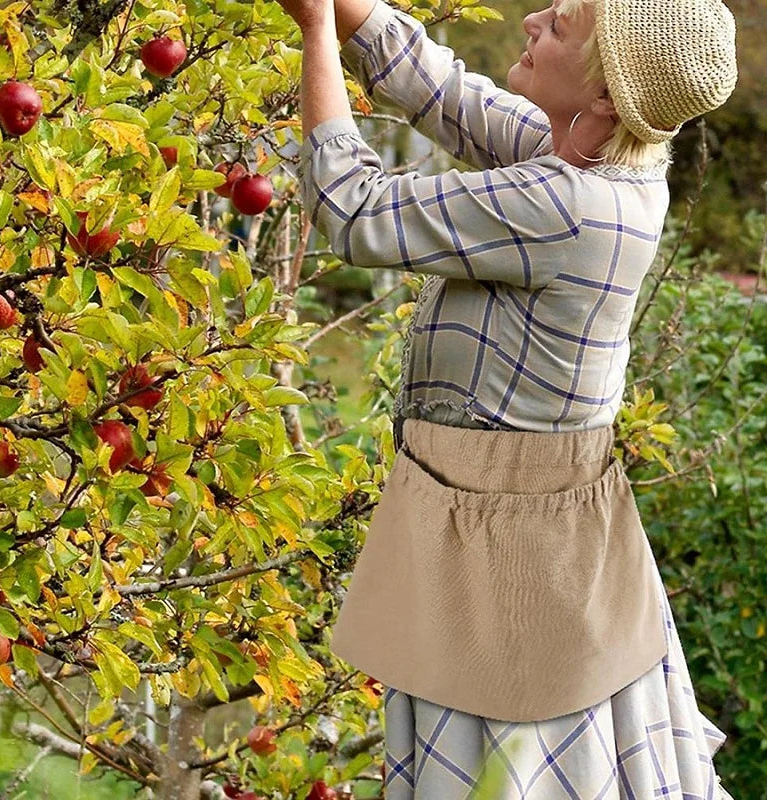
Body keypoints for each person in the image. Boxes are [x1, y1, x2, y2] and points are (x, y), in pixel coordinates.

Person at [274, 0, 738, 796]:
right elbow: (440, 88)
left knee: (507, 771)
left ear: (602, 97)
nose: (531, 19)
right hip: (522, 524)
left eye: (559, 27)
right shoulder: (599, 159)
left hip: (513, 563)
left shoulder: (568, 206)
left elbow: (353, 213)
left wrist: (317, 32)